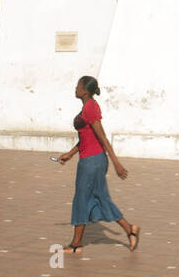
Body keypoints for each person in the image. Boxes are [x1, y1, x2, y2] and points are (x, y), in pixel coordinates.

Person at [57, 76, 140, 253]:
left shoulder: (91, 108)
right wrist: (70, 154)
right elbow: (86, 137)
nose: (75, 88)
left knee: (82, 199)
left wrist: (116, 162)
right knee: (98, 198)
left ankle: (76, 244)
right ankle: (129, 229)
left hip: (93, 161)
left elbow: (102, 137)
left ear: (85, 90)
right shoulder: (87, 107)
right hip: (89, 159)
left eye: (78, 86)